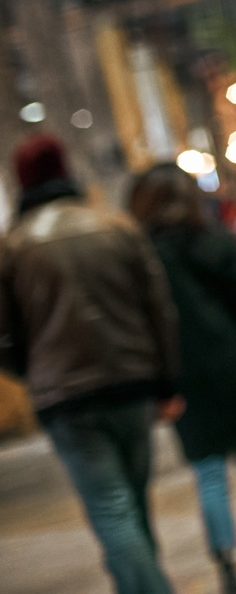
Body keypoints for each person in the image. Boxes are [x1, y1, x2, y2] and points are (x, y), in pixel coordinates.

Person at [0, 135, 179, 594]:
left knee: (112, 509)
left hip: (66, 395)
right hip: (131, 381)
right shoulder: (115, 226)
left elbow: (4, 333)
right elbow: (159, 308)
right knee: (132, 506)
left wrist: (30, 370)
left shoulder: (15, 247)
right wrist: (166, 378)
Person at [128, 165, 236, 594]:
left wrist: (159, 389)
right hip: (235, 365)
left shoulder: (143, 259)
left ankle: (227, 568)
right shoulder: (216, 243)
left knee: (209, 474)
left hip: (184, 376)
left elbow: (145, 330)